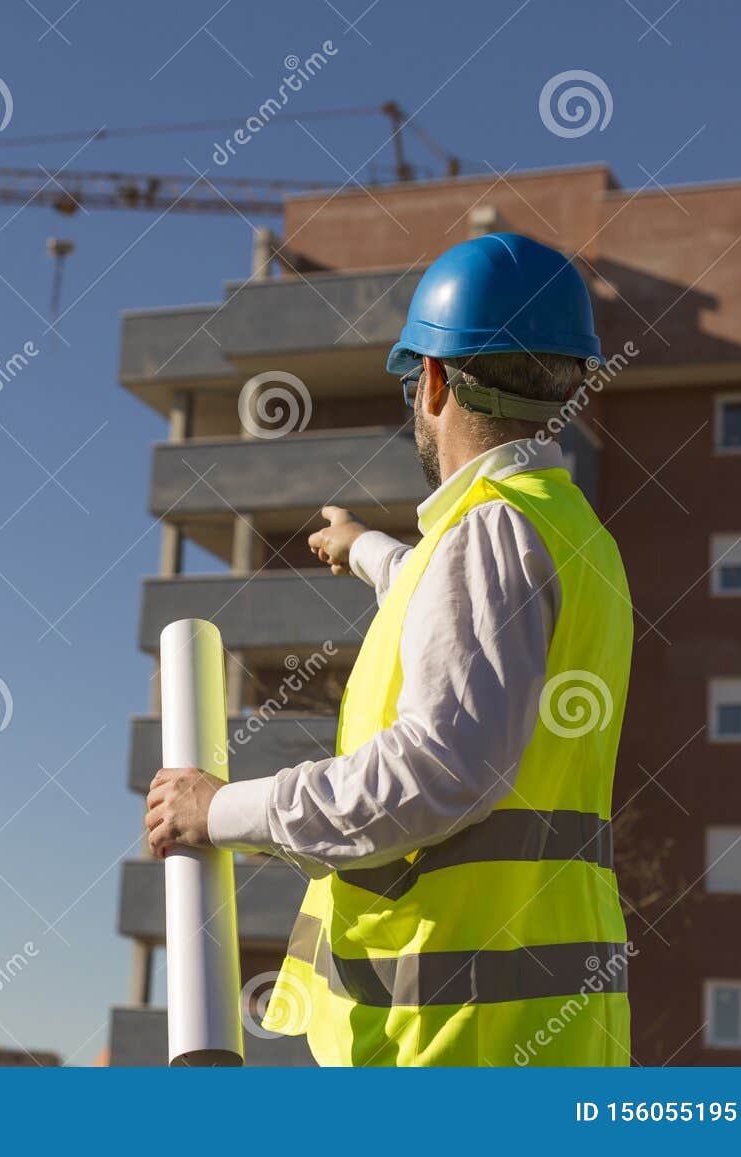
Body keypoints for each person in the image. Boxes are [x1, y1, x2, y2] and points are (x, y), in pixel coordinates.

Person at [144, 233, 633, 1066]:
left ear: (435, 380)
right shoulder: (563, 532)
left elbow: (436, 768)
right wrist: (365, 548)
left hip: (454, 1042)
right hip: (526, 1032)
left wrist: (219, 810)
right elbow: (456, 618)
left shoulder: (492, 532)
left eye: (415, 382)